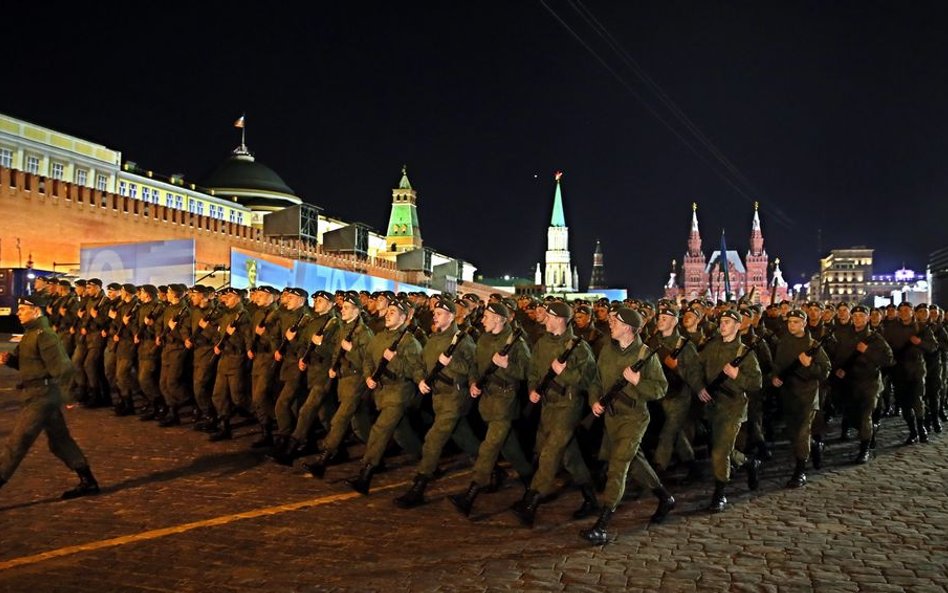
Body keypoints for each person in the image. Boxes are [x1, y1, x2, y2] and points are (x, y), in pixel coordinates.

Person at [580, 306, 670, 545]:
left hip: (634, 418)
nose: (611, 325)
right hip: (612, 417)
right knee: (636, 462)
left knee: (618, 466)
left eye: (616, 322)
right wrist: (595, 401)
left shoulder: (644, 354)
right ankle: (665, 497)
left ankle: (602, 525)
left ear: (629, 328)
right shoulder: (607, 350)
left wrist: (638, 381)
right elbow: (596, 380)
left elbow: (661, 388)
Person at [0, 297, 100, 499]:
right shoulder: (30, 333)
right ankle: (88, 481)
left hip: (42, 397)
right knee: (60, 441)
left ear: (36, 311)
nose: (18, 313)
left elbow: (62, 368)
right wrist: (10, 360)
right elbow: (31, 365)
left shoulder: (44, 335)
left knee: (18, 441)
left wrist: (67, 396)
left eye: (23, 309)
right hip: (36, 394)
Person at [697, 309, 762, 512]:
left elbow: (756, 383)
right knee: (722, 449)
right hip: (713, 406)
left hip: (733, 406)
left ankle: (720, 493)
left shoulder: (744, 352)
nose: (722, 325)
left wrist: (736, 376)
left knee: (720, 452)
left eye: (727, 322)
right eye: (721, 321)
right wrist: (699, 387)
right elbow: (697, 367)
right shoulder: (712, 346)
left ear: (737, 326)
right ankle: (749, 462)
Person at [770, 309, 831, 487]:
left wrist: (809, 366)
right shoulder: (783, 342)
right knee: (793, 432)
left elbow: (825, 370)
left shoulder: (813, 345)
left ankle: (800, 471)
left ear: (804, 323)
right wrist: (775, 377)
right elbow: (778, 364)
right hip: (788, 394)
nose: (792, 325)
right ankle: (815, 446)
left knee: (802, 433)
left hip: (807, 394)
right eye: (790, 322)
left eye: (796, 322)